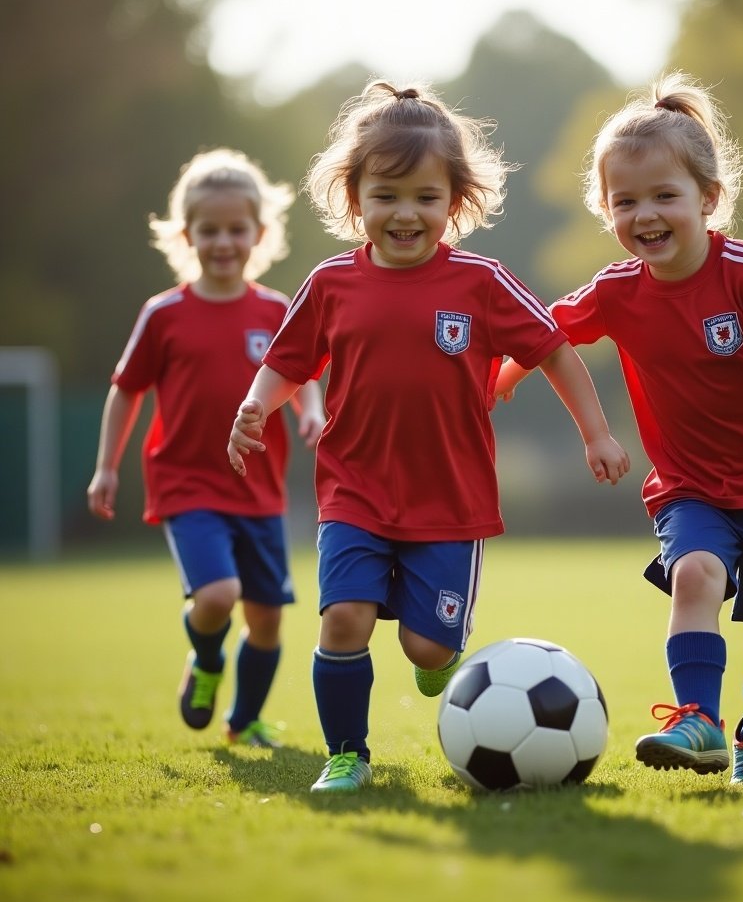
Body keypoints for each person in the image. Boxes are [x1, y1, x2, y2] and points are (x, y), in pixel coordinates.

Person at [227, 80, 630, 795]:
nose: (405, 214)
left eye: (425, 197)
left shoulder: (482, 283)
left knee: (428, 647)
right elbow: (286, 363)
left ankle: (439, 651)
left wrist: (595, 433)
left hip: (448, 501)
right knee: (343, 618)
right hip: (353, 491)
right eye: (385, 196)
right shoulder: (330, 284)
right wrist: (254, 408)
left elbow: (554, 350)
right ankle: (347, 754)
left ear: (456, 201)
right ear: (355, 201)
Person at [495, 72, 743, 785]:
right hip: (691, 488)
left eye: (665, 196)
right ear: (606, 210)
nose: (646, 214)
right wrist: (505, 373)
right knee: (694, 573)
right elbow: (543, 332)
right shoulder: (616, 290)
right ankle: (697, 719)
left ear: (708, 199)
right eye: (625, 201)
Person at [87, 148, 325, 748]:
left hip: (259, 489)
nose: (223, 241)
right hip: (187, 485)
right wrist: (106, 469)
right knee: (219, 596)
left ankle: (243, 721)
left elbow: (300, 373)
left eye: (235, 229)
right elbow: (126, 391)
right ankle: (207, 662)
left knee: (267, 619)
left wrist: (312, 410)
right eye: (209, 230)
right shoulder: (164, 315)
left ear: (259, 233)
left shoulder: (276, 310)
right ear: (186, 234)